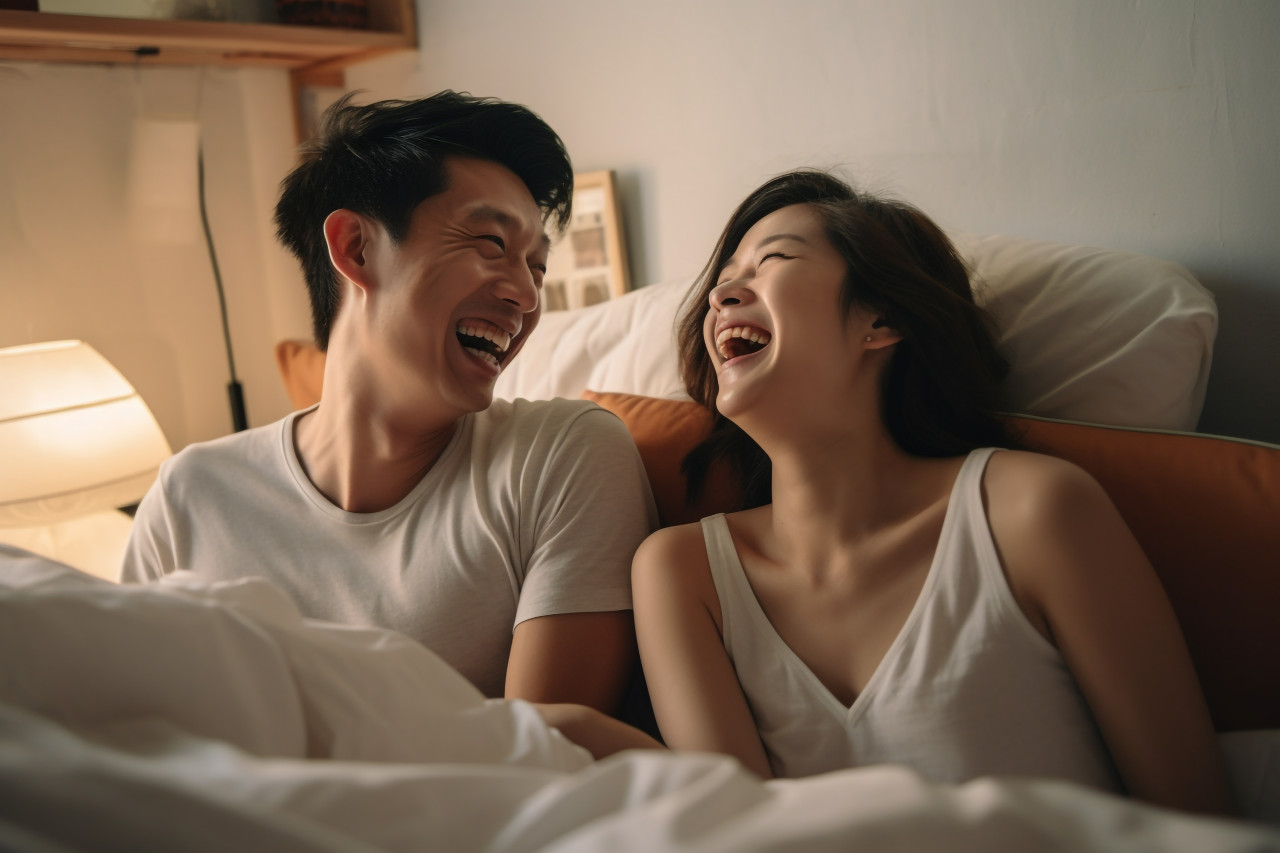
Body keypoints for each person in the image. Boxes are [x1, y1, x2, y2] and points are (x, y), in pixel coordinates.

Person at [546, 169, 1232, 816]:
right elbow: (741, 829)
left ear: (881, 319)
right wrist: (578, 732)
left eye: (771, 260)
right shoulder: (681, 572)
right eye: (723, 281)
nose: (722, 295)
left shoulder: (1033, 511)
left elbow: (1196, 816)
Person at [121, 92, 658, 716]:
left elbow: (548, 755)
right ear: (355, 248)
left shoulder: (560, 455)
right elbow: (129, 733)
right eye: (491, 243)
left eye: (536, 270)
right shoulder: (189, 496)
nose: (525, 295)